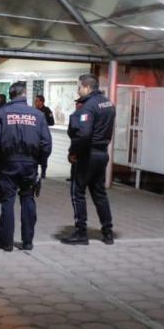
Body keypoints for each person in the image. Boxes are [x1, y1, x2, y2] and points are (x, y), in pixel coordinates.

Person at [0, 82, 52, 252]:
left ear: (10, 95)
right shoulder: (38, 115)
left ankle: (6, 242)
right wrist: (40, 162)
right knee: (28, 199)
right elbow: (46, 143)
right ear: (24, 94)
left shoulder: (1, 113)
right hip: (30, 164)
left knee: (7, 202)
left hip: (7, 163)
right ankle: (28, 241)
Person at [61, 74, 116, 245]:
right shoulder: (108, 103)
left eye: (79, 87)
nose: (78, 91)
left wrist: (73, 152)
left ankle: (81, 233)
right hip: (102, 154)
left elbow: (84, 134)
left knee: (77, 193)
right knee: (99, 193)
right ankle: (108, 232)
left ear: (87, 87)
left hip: (87, 155)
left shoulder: (88, 106)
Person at [33, 95, 56, 178]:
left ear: (41, 102)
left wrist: (43, 123)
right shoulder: (34, 111)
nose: (35, 102)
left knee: (44, 154)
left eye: (37, 101)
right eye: (35, 101)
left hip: (43, 134)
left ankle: (43, 172)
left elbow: (52, 122)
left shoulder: (46, 111)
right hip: (35, 134)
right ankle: (35, 171)